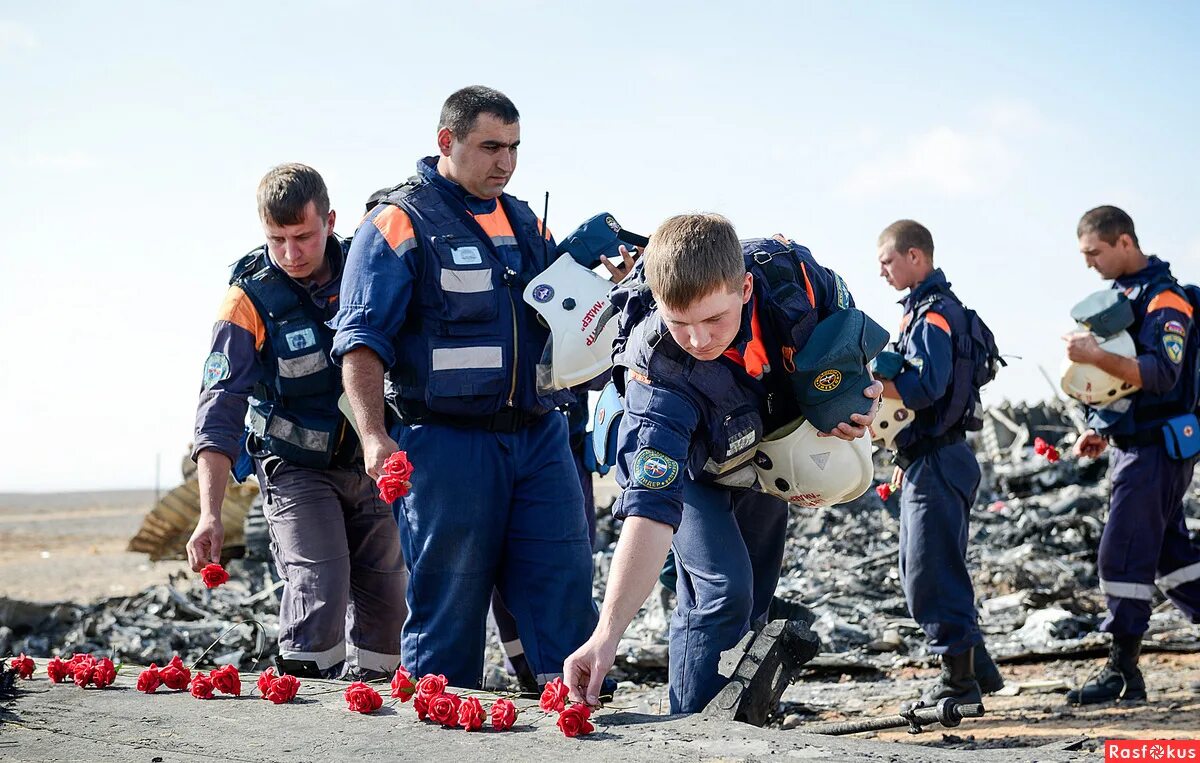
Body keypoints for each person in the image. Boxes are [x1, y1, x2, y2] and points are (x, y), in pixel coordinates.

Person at [330, 86, 629, 689]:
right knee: (449, 606)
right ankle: (438, 731)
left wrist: (609, 291)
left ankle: (573, 723)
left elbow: (560, 321)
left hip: (541, 438)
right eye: (491, 146)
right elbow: (361, 341)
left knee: (563, 588)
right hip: (445, 447)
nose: (506, 162)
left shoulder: (524, 219)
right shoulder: (396, 223)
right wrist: (371, 436)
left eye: (515, 147)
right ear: (447, 142)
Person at [563, 213, 882, 713]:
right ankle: (691, 733)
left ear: (746, 287)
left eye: (714, 319)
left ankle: (743, 729)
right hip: (693, 464)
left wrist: (861, 395)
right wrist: (606, 635)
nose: (698, 340)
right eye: (679, 322)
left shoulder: (793, 280)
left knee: (755, 594)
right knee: (722, 592)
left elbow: (848, 343)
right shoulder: (659, 373)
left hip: (762, 444)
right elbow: (650, 510)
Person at [187, 163, 408, 680]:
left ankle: (381, 714)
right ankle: (304, 714)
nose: (290, 254)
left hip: (372, 464)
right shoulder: (247, 301)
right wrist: (209, 514)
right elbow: (218, 410)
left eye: (303, 236)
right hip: (295, 469)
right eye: (277, 240)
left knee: (388, 596)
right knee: (320, 585)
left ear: (329, 221)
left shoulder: (370, 267)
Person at [1064, 205, 1200, 704]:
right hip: (1135, 444)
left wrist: (1094, 355)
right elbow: (1122, 386)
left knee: (1121, 551)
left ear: (1124, 242)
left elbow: (1161, 375)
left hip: (1157, 448)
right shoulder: (1124, 298)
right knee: (1172, 558)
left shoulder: (1167, 300)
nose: (1089, 264)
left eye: (1094, 253)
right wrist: (1100, 427)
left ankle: (1122, 672)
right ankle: (1124, 669)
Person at [872, 219, 1003, 706]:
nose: (881, 272)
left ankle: (959, 683)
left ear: (915, 257)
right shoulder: (927, 312)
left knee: (930, 572)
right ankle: (979, 670)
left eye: (887, 261)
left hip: (940, 458)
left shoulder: (933, 316)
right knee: (925, 565)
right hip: (932, 456)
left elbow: (927, 388)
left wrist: (873, 386)